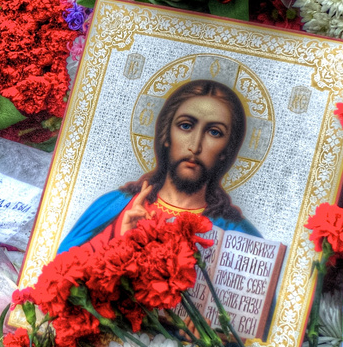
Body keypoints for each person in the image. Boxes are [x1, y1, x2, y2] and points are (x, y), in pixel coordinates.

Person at [56, 80, 260, 256]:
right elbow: (61, 278)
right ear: (166, 136)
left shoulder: (239, 235)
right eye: (186, 126)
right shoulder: (114, 207)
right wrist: (123, 244)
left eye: (214, 132)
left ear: (227, 149)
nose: (195, 146)